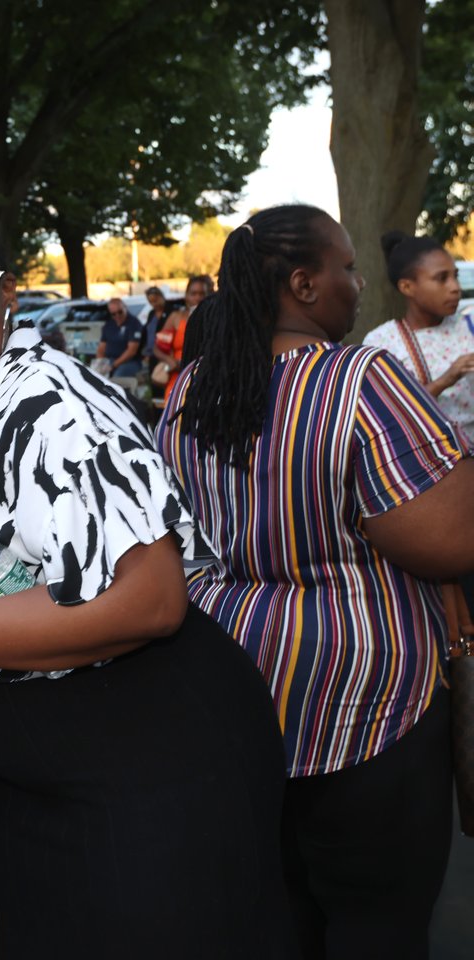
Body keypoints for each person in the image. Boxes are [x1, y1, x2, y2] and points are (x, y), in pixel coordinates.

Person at [0, 201, 291, 958]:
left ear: (7, 291)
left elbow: (153, 598)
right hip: (41, 780)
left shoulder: (54, 403)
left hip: (150, 762)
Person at [156, 205, 474, 957]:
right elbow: (444, 540)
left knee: (280, 915)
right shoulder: (360, 378)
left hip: (233, 694)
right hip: (369, 707)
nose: (358, 285)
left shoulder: (195, 387)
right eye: (347, 268)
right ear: (303, 283)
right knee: (378, 924)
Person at [363, 230, 474, 442]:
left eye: (455, 276)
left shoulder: (468, 325)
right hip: (434, 466)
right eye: (442, 279)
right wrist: (447, 379)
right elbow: (388, 416)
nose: (455, 288)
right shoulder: (383, 342)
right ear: (407, 287)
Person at [152, 274, 210, 401]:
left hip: (206, 375)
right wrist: (169, 360)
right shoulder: (176, 317)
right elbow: (158, 347)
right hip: (178, 376)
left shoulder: (215, 318)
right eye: (193, 293)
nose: (197, 298)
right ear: (186, 296)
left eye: (202, 293)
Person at [94, 295, 144, 377]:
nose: (117, 315)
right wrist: (100, 363)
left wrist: (113, 365)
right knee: (94, 376)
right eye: (113, 314)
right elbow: (101, 348)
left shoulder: (134, 323)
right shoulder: (109, 325)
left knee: (118, 377)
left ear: (125, 308)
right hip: (109, 360)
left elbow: (131, 351)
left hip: (130, 362)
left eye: (120, 312)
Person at [141, 284, 172, 364]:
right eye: (151, 302)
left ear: (162, 297)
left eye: (156, 300)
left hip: (164, 353)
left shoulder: (171, 312)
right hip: (150, 354)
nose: (154, 304)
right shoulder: (151, 314)